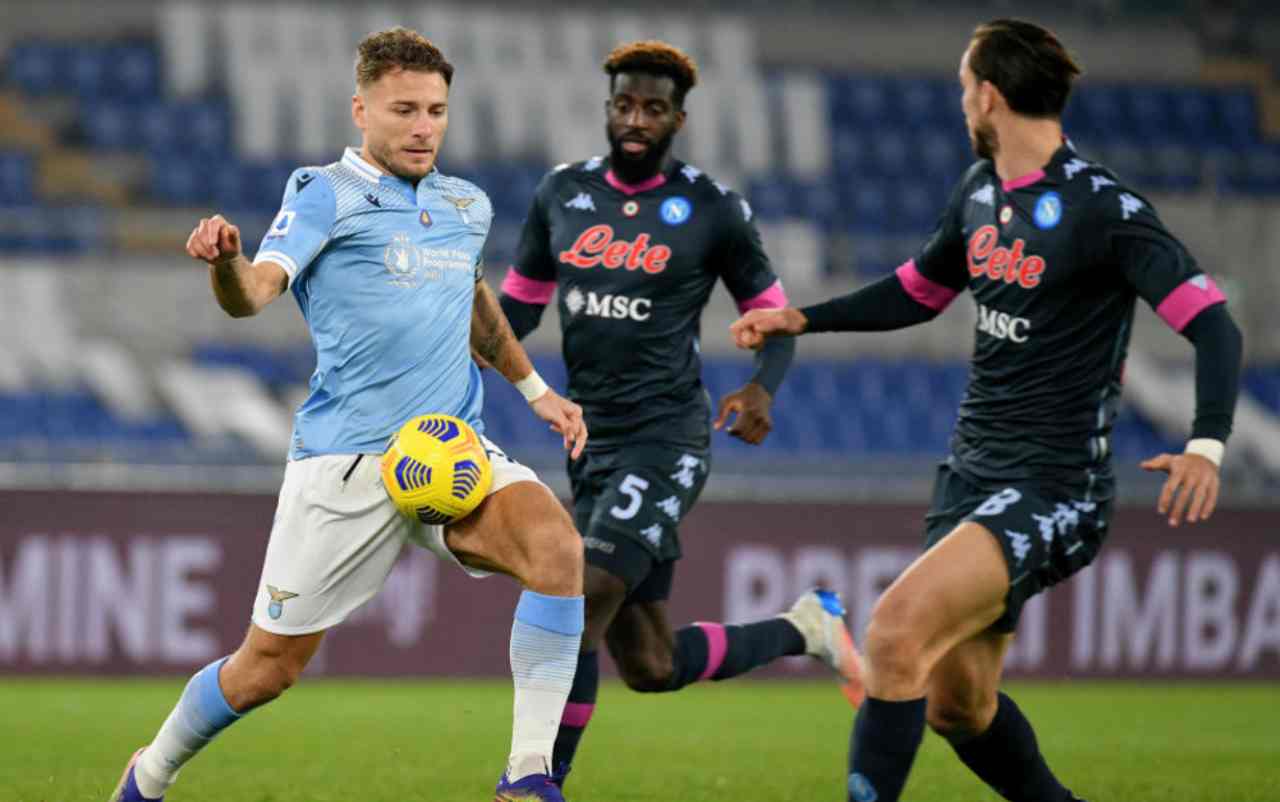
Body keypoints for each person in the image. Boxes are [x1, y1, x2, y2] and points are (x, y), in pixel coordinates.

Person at [731, 18, 1242, 802]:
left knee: (894, 632)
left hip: (1055, 484)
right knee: (956, 705)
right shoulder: (979, 193)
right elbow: (917, 291)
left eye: (965, 88)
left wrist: (1206, 445)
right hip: (972, 473)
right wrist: (805, 317)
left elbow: (1213, 323)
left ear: (990, 97)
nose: (961, 103)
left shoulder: (1102, 209)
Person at [109, 27, 589, 802]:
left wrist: (537, 392)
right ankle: (150, 772)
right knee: (265, 670)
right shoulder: (323, 191)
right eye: (404, 109)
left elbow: (471, 303)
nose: (423, 125)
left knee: (559, 552)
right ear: (360, 109)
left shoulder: (465, 204)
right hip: (347, 464)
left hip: (450, 452)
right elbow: (255, 293)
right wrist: (226, 261)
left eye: (436, 109)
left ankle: (527, 777)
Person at [497, 40, 864, 790]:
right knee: (651, 665)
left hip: (666, 440)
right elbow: (518, 313)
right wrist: (456, 342)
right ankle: (806, 627)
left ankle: (538, 783)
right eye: (625, 105)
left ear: (679, 119)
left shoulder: (712, 210)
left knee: (579, 599)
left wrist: (763, 385)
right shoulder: (561, 195)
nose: (636, 120)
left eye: (653, 109)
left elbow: (774, 316)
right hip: (588, 440)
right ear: (608, 109)